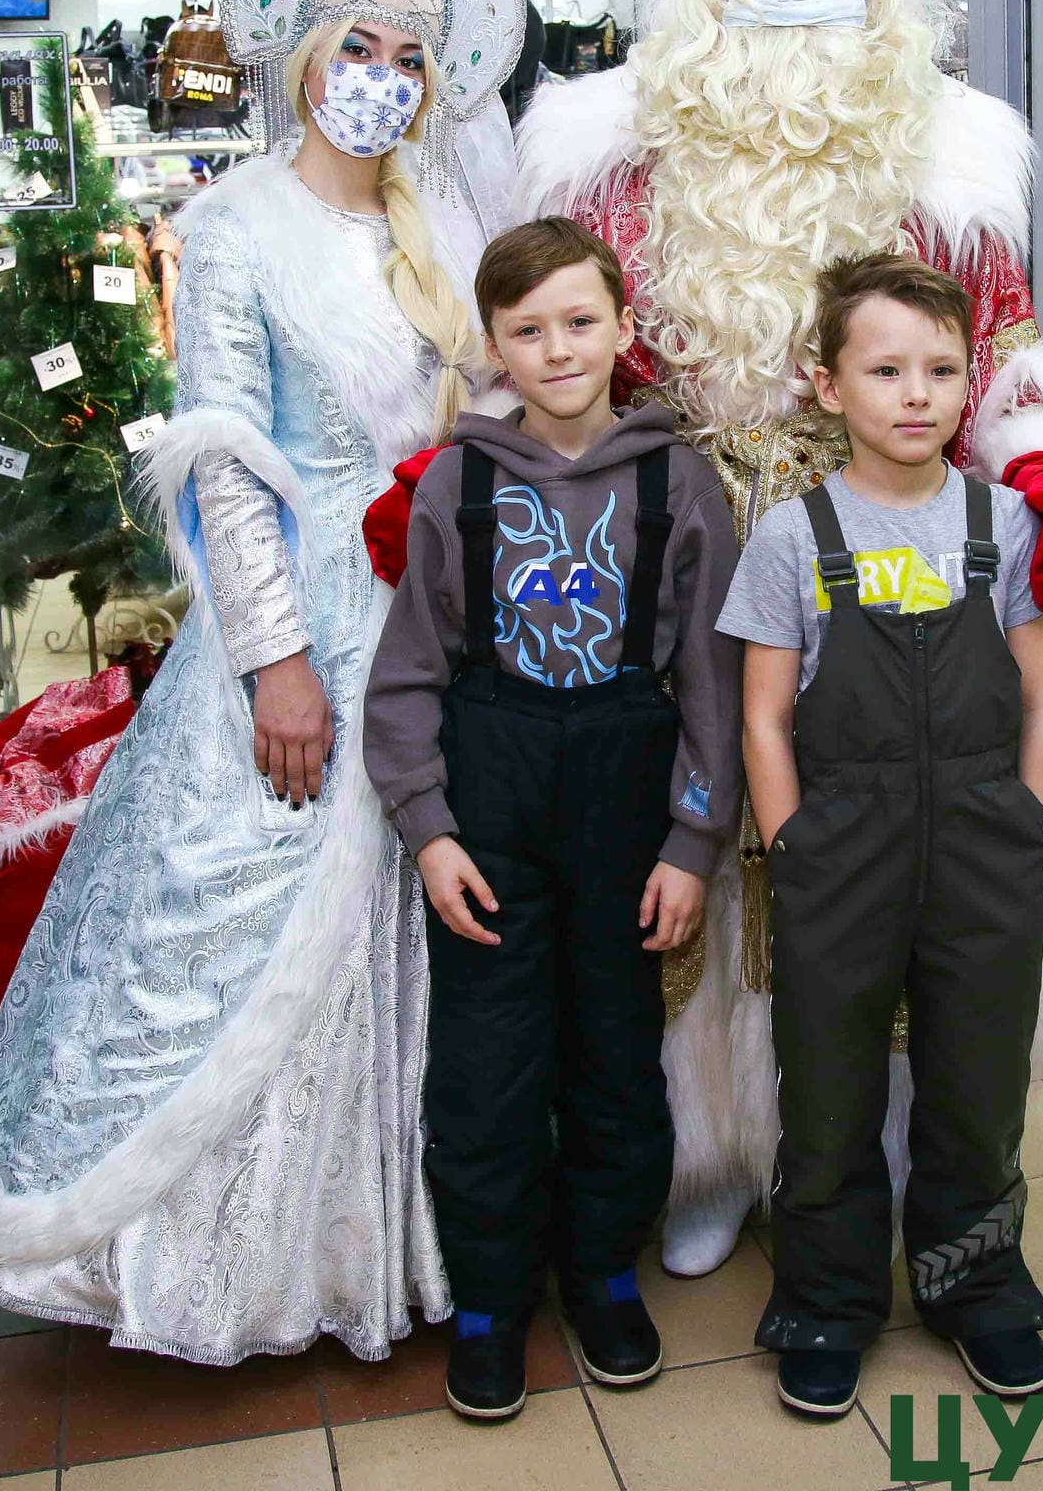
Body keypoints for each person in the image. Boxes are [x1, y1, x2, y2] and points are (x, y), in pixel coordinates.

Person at [0, 0, 528, 1365]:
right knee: (240, 928)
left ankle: (403, 1243)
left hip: (443, 621)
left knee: (434, 938)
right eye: (359, 50)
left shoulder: (447, 229)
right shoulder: (238, 223)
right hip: (307, 621)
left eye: (410, 58)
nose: (381, 80)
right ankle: (209, 1262)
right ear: (307, 56)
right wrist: (276, 664)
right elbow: (227, 466)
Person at [515, 0, 1043, 1280]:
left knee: (872, 846)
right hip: (664, 553)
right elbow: (551, 350)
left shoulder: (950, 157)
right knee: (688, 841)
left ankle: (877, 1151)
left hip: (882, 550)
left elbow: (1004, 351)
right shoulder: (605, 155)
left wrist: (1039, 459)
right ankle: (710, 1152)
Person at [363, 216, 741, 1420]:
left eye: (580, 321)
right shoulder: (454, 484)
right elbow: (407, 675)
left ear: (623, 327)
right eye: (528, 330)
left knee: (613, 1055)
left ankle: (601, 1273)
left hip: (626, 800)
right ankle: (490, 1297)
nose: (559, 348)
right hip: (490, 801)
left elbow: (712, 690)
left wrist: (691, 843)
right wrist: (427, 829)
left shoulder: (677, 483)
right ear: (494, 345)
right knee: (486, 1062)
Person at [722, 253, 1043, 1416]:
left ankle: (977, 1288)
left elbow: (1039, 695)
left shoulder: (1001, 522)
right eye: (884, 370)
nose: (915, 394)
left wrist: (1024, 824)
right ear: (826, 385)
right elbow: (762, 716)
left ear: (967, 383)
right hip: (838, 853)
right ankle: (826, 1300)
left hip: (982, 848)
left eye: (940, 370)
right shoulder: (789, 537)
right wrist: (791, 844)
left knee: (977, 1083)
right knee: (827, 1091)